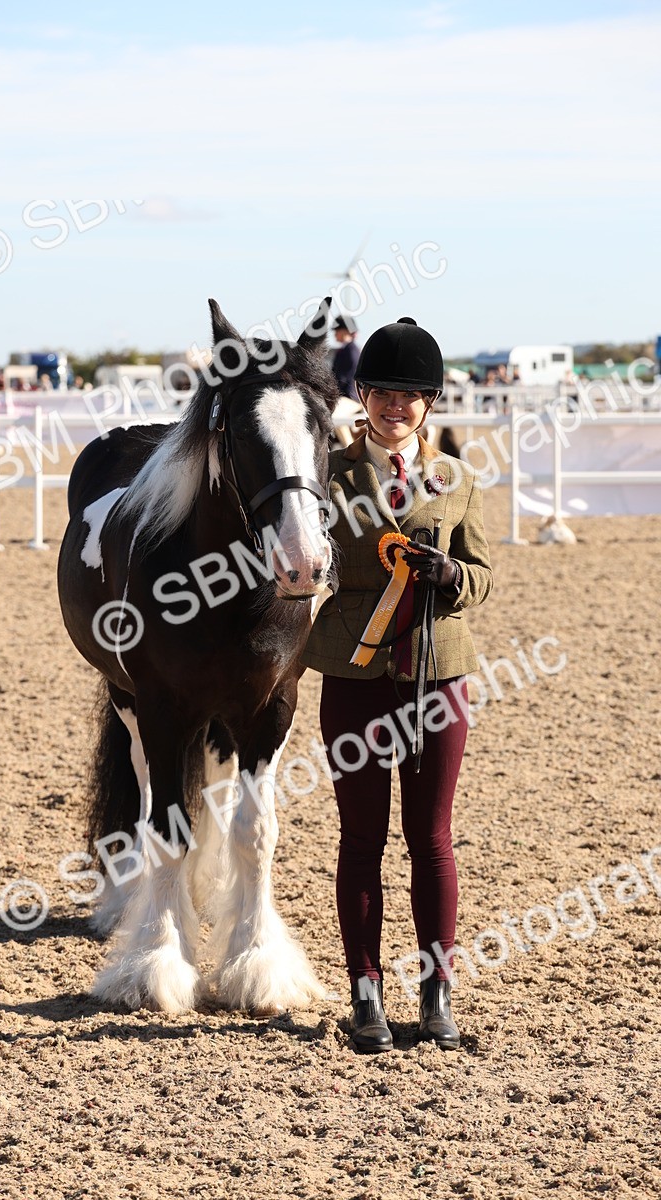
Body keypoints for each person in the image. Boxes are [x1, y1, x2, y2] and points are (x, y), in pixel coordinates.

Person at [301, 316, 493, 1054]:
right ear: (364, 396)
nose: (395, 406)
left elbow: (482, 576)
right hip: (354, 675)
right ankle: (365, 993)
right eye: (383, 392)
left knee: (431, 838)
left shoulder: (459, 479)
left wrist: (450, 577)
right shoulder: (328, 474)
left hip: (438, 677)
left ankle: (436, 994)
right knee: (360, 837)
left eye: (410, 395)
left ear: (430, 403)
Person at [331, 314, 361, 397]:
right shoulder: (347, 349)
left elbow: (343, 378)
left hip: (347, 396)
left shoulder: (350, 350)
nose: (335, 334)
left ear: (345, 331)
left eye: (337, 330)